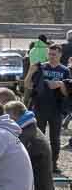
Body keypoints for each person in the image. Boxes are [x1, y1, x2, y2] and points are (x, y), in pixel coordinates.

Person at [24, 44, 70, 173]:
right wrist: (31, 71)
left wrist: (60, 85)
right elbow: (28, 85)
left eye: (54, 54)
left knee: (55, 139)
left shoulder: (65, 70)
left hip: (56, 109)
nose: (51, 57)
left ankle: (53, 164)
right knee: (39, 137)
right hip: (40, 107)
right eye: (49, 54)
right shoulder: (41, 67)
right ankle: (38, 163)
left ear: (60, 54)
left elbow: (68, 93)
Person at [4, 101, 54, 190]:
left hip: (36, 188)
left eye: (6, 118)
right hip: (41, 185)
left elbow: (12, 164)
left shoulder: (24, 136)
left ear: (13, 117)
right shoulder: (30, 128)